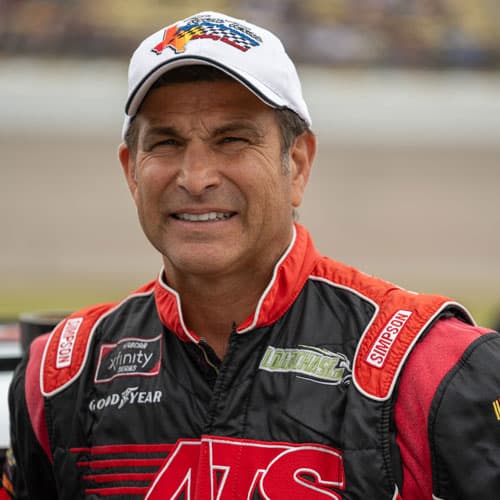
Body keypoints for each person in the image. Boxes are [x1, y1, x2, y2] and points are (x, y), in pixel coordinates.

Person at [2, 10, 500, 500]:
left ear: (298, 164)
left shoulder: (431, 368)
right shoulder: (59, 376)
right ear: (132, 171)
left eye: (233, 140)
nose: (195, 178)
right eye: (167, 142)